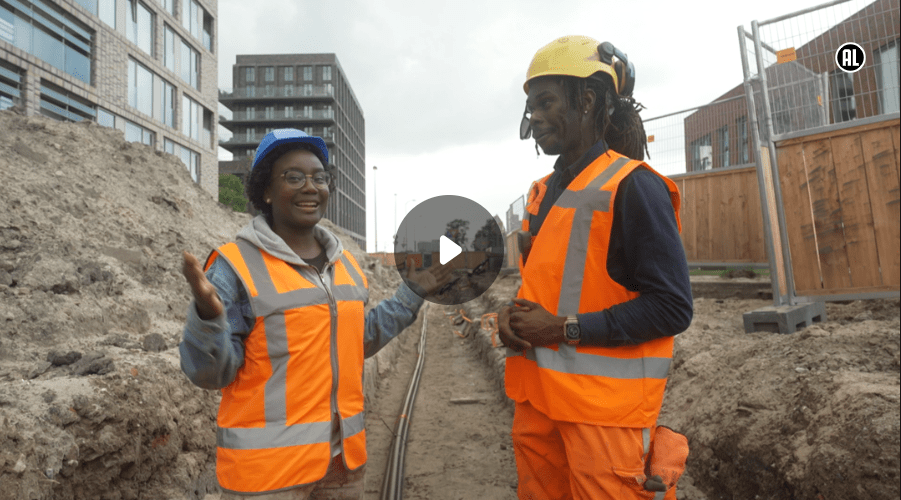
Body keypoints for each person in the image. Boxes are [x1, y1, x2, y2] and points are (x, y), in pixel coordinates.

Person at [179, 129, 449, 499]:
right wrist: (207, 319)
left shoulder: (345, 264)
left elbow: (356, 342)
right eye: (294, 177)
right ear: (267, 191)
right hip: (268, 479)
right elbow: (209, 373)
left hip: (342, 468)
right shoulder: (235, 267)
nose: (311, 186)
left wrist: (411, 293)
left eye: (319, 177)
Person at [497, 36, 693, 500]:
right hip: (539, 407)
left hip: (604, 420)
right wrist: (510, 318)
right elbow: (556, 286)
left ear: (585, 100)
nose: (534, 117)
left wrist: (564, 329)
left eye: (546, 102)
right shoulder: (543, 194)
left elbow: (671, 307)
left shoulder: (633, 187)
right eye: (530, 106)